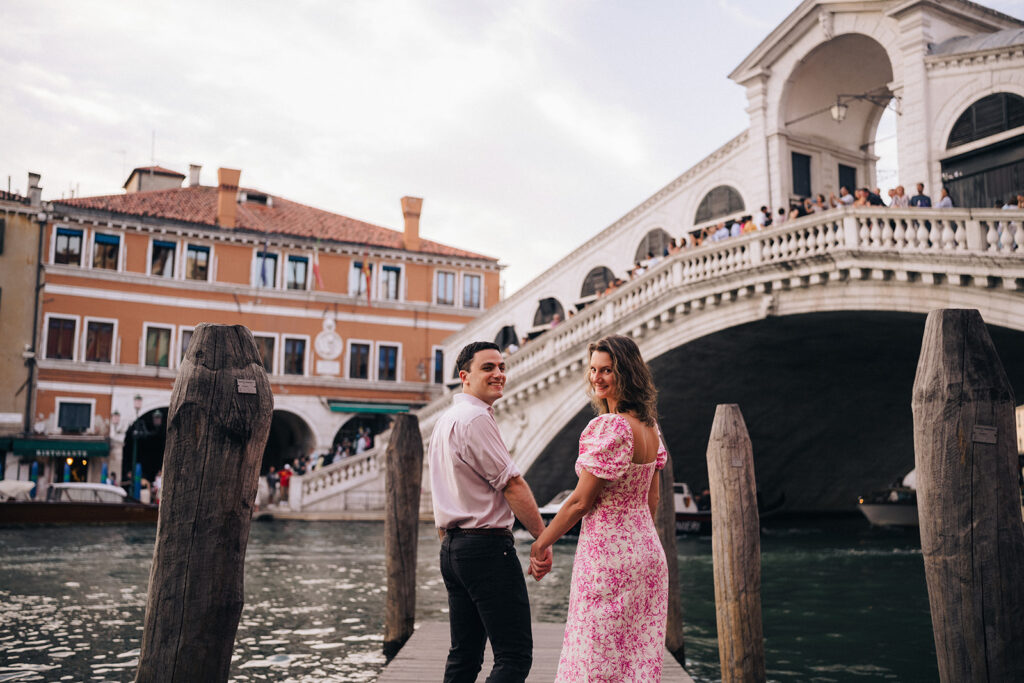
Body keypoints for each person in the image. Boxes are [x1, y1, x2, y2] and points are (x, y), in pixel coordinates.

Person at [530, 334, 668, 681]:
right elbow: (652, 500)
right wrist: (637, 541)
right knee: (635, 659)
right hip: (647, 555)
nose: (597, 378)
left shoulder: (612, 427)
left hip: (607, 558)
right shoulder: (650, 428)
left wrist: (542, 542)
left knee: (592, 658)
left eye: (607, 370)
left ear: (628, 373)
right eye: (593, 370)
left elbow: (579, 502)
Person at [429, 341, 551, 682]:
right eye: (488, 368)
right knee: (513, 658)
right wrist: (544, 538)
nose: (499, 374)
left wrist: (452, 546)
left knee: (464, 655)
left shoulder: (445, 421)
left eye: (501, 367)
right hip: (485, 548)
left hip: (453, 549)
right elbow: (512, 484)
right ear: (464, 376)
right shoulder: (475, 419)